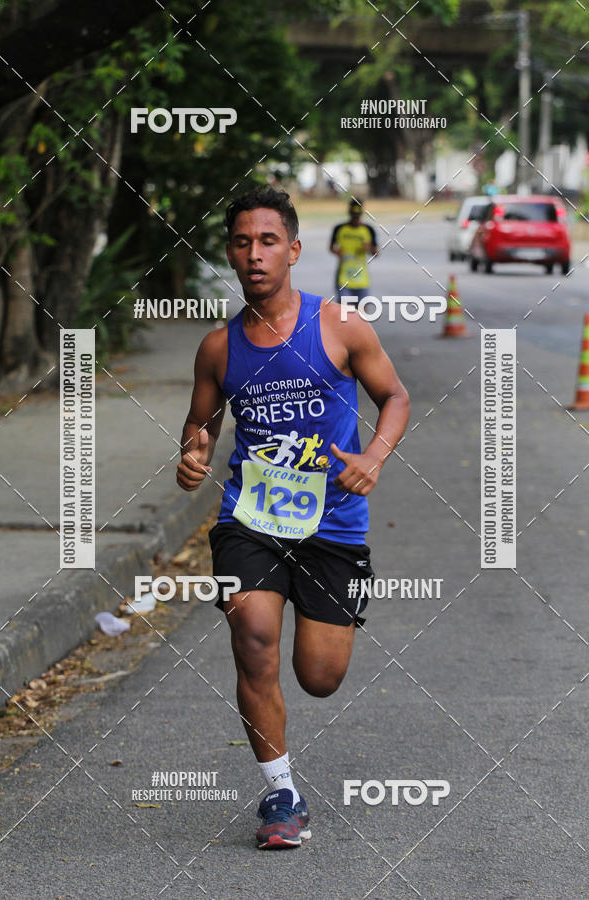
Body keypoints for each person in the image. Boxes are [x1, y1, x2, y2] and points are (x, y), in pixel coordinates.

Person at [176, 185, 409, 850]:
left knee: (320, 676)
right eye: (243, 242)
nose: (255, 253)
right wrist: (192, 455)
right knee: (252, 637)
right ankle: (280, 793)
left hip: (333, 525)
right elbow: (200, 424)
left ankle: (292, 751)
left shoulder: (339, 326)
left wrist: (374, 456)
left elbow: (394, 395)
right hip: (249, 519)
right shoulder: (218, 348)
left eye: (268, 240)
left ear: (295, 251)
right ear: (230, 252)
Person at [330, 197, 378, 303]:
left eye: (358, 216)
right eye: (354, 215)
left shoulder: (368, 230)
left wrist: (369, 248)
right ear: (349, 213)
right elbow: (331, 247)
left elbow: (376, 252)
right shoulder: (339, 229)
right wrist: (337, 252)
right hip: (343, 278)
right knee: (345, 315)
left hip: (362, 279)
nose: (356, 219)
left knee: (362, 315)